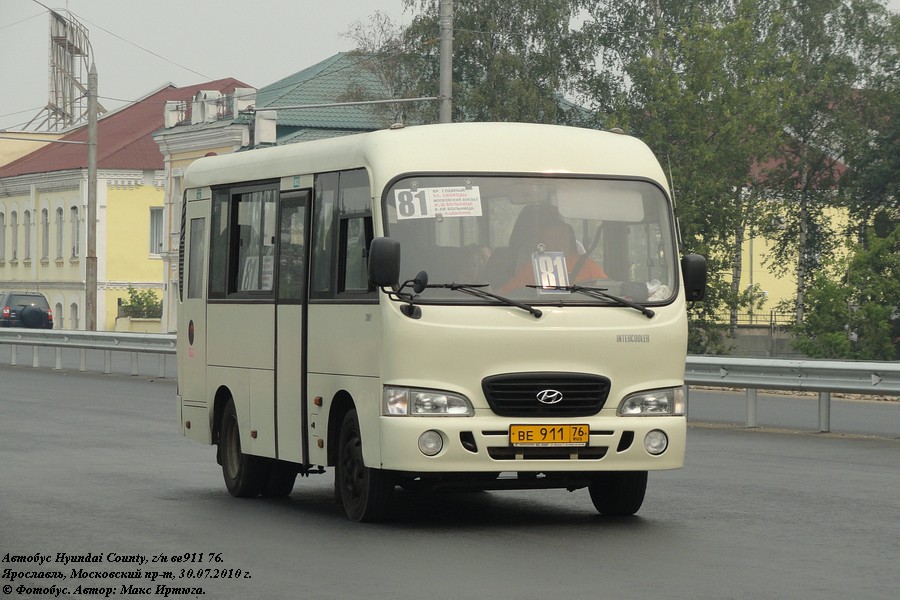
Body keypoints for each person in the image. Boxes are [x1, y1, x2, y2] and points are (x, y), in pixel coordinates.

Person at [499, 205, 606, 293]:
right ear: (540, 242)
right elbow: (506, 295)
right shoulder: (534, 267)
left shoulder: (585, 264)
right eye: (552, 238)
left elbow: (609, 290)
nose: (559, 242)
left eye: (563, 236)